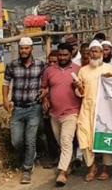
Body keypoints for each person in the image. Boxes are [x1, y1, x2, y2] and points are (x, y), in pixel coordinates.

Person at [4, 37, 46, 184]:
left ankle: (27, 169)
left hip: (34, 107)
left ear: (31, 49)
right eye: (21, 48)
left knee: (30, 139)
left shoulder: (41, 65)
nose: (23, 51)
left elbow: (46, 82)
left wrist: (45, 92)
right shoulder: (12, 65)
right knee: (16, 140)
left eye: (26, 48)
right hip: (18, 107)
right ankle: (31, 154)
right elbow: (6, 82)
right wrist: (5, 99)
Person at [75, 40, 112, 181]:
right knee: (84, 137)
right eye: (92, 51)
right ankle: (92, 166)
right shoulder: (83, 70)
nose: (94, 54)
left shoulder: (109, 68)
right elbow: (80, 91)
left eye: (97, 51)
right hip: (87, 108)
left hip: (104, 110)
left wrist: (111, 80)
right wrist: (79, 88)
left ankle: (105, 168)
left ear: (102, 53)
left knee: (104, 139)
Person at [40, 43, 81, 186]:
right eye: (60, 55)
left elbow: (83, 90)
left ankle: (62, 172)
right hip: (54, 114)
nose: (62, 58)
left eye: (65, 55)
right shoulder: (49, 71)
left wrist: (79, 87)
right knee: (60, 142)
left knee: (65, 140)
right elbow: (44, 87)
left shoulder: (77, 70)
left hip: (72, 112)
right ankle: (70, 162)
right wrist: (45, 99)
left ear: (71, 54)